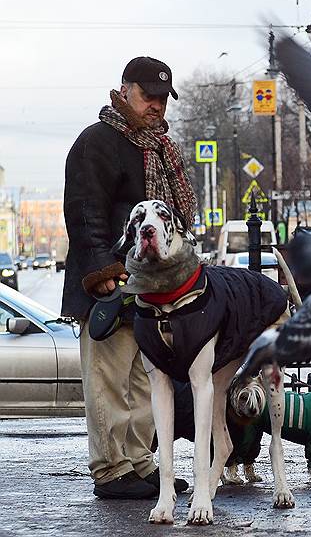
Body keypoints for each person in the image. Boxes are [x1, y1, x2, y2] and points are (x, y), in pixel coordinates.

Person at [63, 56, 197, 499]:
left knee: (143, 376)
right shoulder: (98, 141)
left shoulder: (156, 147)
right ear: (124, 91)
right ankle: (112, 468)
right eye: (147, 95)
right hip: (108, 283)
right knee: (110, 379)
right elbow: (85, 212)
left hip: (148, 286)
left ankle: (140, 463)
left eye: (163, 98)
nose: (156, 105)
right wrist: (102, 270)